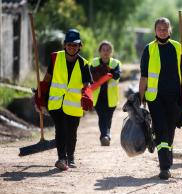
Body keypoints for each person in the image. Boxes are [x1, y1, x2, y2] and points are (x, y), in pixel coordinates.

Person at [35, 29, 93, 170]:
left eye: (75, 45)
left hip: (73, 104)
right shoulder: (55, 58)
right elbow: (48, 78)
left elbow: (87, 84)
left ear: (80, 46)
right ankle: (62, 158)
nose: (72, 47)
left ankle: (70, 157)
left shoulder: (84, 64)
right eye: (69, 44)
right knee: (61, 129)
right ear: (64, 45)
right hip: (56, 102)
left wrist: (87, 95)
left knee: (72, 131)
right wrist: (40, 94)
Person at [139, 17, 182, 180]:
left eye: (165, 28)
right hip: (155, 97)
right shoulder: (149, 49)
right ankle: (164, 166)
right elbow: (144, 75)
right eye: (159, 28)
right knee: (160, 128)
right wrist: (140, 95)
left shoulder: (178, 47)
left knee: (170, 129)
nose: (162, 31)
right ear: (155, 30)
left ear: (170, 30)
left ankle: (167, 157)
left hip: (174, 96)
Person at [90, 40, 121, 146]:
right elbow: (90, 76)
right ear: (100, 51)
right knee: (102, 116)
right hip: (98, 97)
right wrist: (100, 72)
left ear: (111, 52)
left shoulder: (115, 63)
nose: (106, 52)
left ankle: (106, 134)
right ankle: (105, 136)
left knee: (108, 117)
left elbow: (117, 75)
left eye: (108, 50)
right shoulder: (94, 63)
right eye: (103, 50)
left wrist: (107, 72)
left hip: (111, 97)